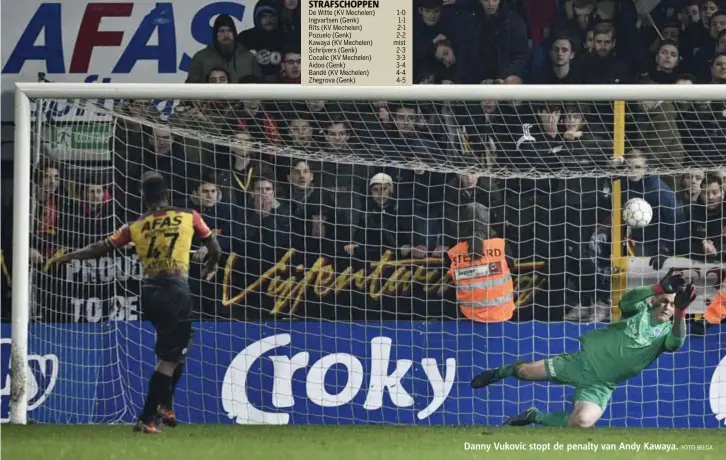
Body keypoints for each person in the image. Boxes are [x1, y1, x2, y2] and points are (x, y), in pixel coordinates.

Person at [51, 172, 222, 433]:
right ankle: (147, 417)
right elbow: (215, 248)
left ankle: (164, 406)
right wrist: (211, 266)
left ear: (143, 198)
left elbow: (99, 247)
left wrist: (69, 257)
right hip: (177, 289)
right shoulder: (190, 216)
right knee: (169, 359)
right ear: (166, 194)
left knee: (180, 348)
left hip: (149, 292)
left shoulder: (135, 226)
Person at [470, 268, 695, 428]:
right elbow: (625, 301)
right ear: (655, 300)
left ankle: (533, 416)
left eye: (673, 305)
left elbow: (676, 344)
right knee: (523, 372)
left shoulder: (669, 331)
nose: (667, 306)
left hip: (601, 385)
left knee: (582, 422)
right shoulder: (639, 311)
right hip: (580, 363)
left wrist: (681, 314)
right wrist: (657, 286)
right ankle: (498, 373)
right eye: (664, 300)